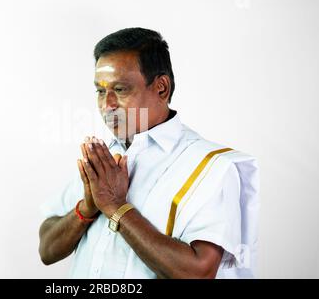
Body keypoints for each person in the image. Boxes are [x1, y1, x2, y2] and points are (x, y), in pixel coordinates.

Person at [38, 27, 259, 279]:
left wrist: (115, 207)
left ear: (161, 88)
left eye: (120, 89)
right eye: (100, 91)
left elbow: (199, 273)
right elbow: (46, 249)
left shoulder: (213, 167)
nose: (106, 105)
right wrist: (87, 208)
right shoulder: (104, 158)